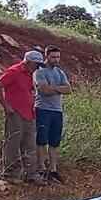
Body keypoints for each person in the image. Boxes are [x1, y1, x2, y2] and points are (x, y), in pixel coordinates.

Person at [0, 50, 44, 185]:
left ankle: (31, 174)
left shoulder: (30, 74)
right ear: (28, 62)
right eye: (36, 64)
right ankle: (10, 174)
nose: (37, 68)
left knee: (30, 144)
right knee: (13, 144)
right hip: (16, 113)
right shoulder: (14, 72)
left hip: (29, 113)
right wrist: (6, 106)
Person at [34, 45, 72, 184]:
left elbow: (68, 89)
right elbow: (44, 90)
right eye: (53, 57)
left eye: (58, 57)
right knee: (42, 140)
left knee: (54, 142)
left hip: (57, 110)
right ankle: (42, 168)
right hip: (42, 109)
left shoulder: (60, 72)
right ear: (47, 56)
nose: (56, 60)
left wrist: (53, 88)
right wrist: (58, 89)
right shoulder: (39, 72)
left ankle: (53, 170)